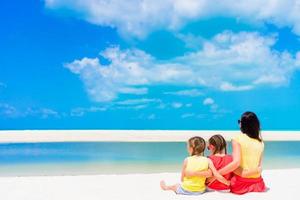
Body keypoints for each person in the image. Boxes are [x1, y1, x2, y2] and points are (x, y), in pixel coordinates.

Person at [217, 111, 267, 194]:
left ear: (243, 124)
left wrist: (217, 173)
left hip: (240, 185)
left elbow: (236, 163)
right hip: (258, 184)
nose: (239, 124)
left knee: (226, 160)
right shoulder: (261, 143)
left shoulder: (237, 139)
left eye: (239, 121)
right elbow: (258, 167)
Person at [160, 136, 229, 195]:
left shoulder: (187, 160)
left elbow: (182, 179)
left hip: (186, 190)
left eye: (188, 147)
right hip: (200, 191)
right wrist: (227, 183)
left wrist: (192, 174)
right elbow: (215, 174)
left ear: (191, 149)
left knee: (175, 186)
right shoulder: (208, 160)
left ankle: (166, 187)